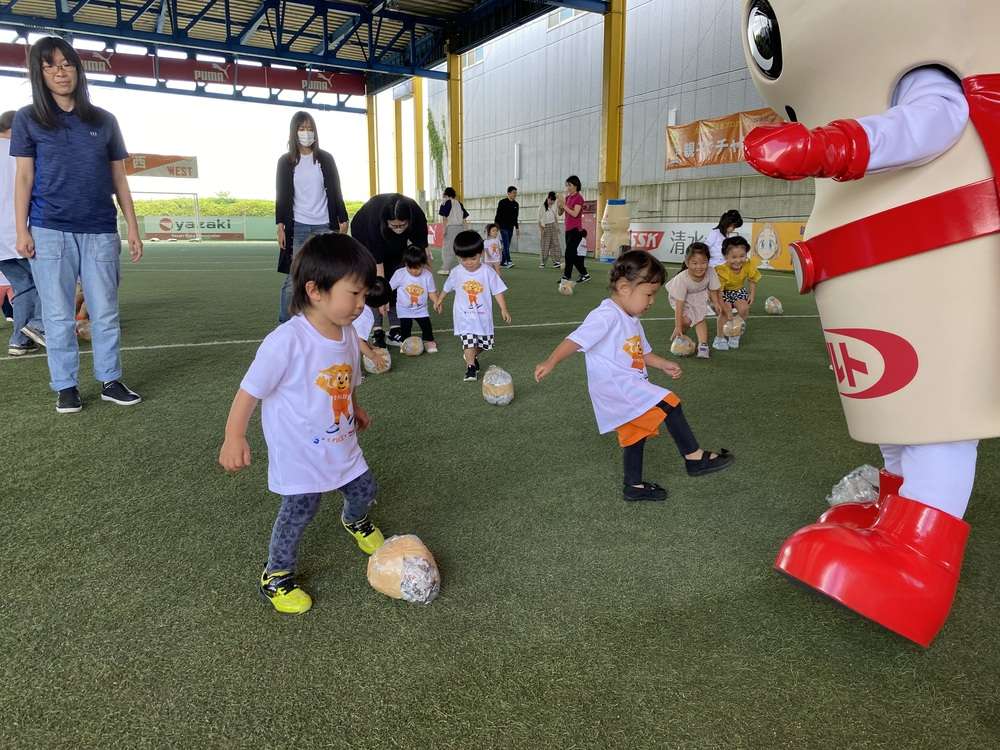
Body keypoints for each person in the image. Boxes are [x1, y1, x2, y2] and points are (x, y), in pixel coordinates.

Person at [219, 233, 385, 615]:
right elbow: (249, 391)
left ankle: (354, 520)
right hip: (299, 453)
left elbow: (347, 381)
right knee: (300, 511)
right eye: (354, 294)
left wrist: (355, 408)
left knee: (365, 488)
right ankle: (276, 575)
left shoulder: (348, 333)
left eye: (364, 294)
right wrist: (234, 436)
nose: (362, 304)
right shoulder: (287, 341)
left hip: (341, 441)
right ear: (315, 291)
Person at [534, 251, 734, 501]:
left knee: (635, 434)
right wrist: (551, 361)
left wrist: (663, 364)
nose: (651, 301)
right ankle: (694, 457)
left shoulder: (632, 318)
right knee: (670, 403)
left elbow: (642, 353)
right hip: (617, 386)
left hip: (626, 385)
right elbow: (576, 340)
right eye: (648, 294)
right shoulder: (607, 315)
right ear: (624, 288)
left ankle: (633, 486)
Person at [11, 36, 143, 413]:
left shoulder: (104, 120)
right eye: (50, 65)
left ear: (78, 69)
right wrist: (21, 229)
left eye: (67, 63)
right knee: (57, 314)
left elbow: (119, 178)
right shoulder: (28, 118)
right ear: (39, 73)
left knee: (105, 311)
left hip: (100, 228)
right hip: (49, 229)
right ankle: (66, 386)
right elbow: (24, 177)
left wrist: (132, 228)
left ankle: (110, 380)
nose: (60, 72)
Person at [275, 111, 349, 324]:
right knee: (294, 278)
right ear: (294, 132)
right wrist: (280, 225)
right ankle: (285, 325)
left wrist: (343, 218)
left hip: (324, 225)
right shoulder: (286, 161)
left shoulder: (325, 159)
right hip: (297, 226)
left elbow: (335, 189)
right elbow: (281, 194)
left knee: (327, 275)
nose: (306, 133)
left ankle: (323, 320)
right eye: (302, 128)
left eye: (309, 128)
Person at [350, 193, 429, 349]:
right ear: (386, 222)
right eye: (394, 225)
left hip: (393, 242)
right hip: (364, 236)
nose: (399, 229)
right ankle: (377, 330)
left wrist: (424, 280)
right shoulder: (373, 222)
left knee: (397, 276)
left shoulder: (416, 215)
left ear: (409, 220)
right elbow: (379, 268)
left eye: (402, 225)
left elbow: (422, 252)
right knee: (375, 286)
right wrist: (382, 297)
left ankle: (394, 328)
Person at [434, 230, 511, 382]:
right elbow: (447, 287)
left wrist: (504, 309)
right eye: (464, 259)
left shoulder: (487, 271)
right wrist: (439, 300)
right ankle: (470, 367)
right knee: (468, 341)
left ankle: (471, 355)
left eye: (473, 258)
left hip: (483, 317)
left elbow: (497, 291)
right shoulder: (456, 272)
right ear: (458, 257)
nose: (469, 262)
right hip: (463, 317)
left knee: (486, 345)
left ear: (481, 253)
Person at [0, 109, 46, 357]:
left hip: (2, 240)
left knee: (23, 285)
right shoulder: (22, 153)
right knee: (49, 282)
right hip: (21, 231)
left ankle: (20, 340)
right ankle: (38, 325)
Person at [667, 242, 722, 359]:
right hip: (681, 298)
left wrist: (716, 303)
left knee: (699, 318)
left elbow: (713, 289)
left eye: (703, 262)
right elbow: (679, 305)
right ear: (687, 263)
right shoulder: (682, 279)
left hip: (699, 295)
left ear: (708, 261)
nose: (699, 266)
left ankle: (703, 345)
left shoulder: (711, 271)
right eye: (695, 263)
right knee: (686, 321)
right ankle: (678, 335)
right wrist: (678, 325)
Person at [390, 245, 440, 353]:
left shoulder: (427, 275)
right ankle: (405, 343)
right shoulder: (400, 274)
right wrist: (384, 301)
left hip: (421, 309)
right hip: (404, 309)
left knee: (426, 326)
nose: (414, 271)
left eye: (417, 268)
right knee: (405, 328)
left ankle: (428, 341)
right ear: (405, 264)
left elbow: (431, 292)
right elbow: (389, 288)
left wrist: (436, 302)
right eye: (410, 268)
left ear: (423, 264)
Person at [713, 236, 760, 351]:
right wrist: (725, 308)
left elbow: (752, 279)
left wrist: (752, 294)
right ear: (725, 256)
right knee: (725, 313)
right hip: (723, 293)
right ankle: (719, 338)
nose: (738, 260)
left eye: (742, 256)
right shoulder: (722, 270)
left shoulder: (748, 265)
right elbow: (719, 292)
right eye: (734, 257)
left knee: (744, 309)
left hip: (738, 291)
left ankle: (735, 334)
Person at [352, 276, 390, 371]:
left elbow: (356, 333)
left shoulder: (355, 295)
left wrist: (370, 347)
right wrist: (373, 356)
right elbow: (358, 341)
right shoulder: (366, 315)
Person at [558, 175, 590, 285]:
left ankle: (566, 277)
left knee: (568, 254)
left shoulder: (579, 198)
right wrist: (560, 205)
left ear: (575, 186)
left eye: (569, 185)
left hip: (576, 230)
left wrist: (564, 206)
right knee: (573, 255)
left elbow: (575, 213)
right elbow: (560, 213)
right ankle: (585, 274)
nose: (567, 187)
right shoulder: (567, 198)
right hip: (568, 230)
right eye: (566, 185)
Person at [437, 186, 468, 276]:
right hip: (461, 228)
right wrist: (466, 229)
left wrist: (444, 230)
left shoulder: (445, 202)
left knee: (448, 248)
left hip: (451, 228)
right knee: (460, 247)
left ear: (446, 194)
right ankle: (464, 266)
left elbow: (444, 218)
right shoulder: (459, 203)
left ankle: (446, 268)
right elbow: (464, 218)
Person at [494, 186, 519, 268]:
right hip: (502, 227)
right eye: (513, 193)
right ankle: (509, 261)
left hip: (511, 227)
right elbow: (498, 215)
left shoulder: (516, 204)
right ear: (508, 193)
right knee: (506, 244)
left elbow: (516, 217)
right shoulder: (502, 202)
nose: (515, 194)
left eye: (516, 193)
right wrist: (496, 227)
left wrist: (517, 228)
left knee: (506, 245)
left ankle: (502, 262)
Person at [538, 191, 562, 269]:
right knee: (545, 245)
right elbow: (539, 220)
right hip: (545, 227)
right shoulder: (542, 207)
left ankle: (556, 261)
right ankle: (542, 262)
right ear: (548, 198)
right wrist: (541, 230)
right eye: (551, 200)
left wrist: (557, 227)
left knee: (555, 244)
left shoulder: (553, 206)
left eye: (553, 201)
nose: (552, 202)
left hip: (553, 226)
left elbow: (555, 217)